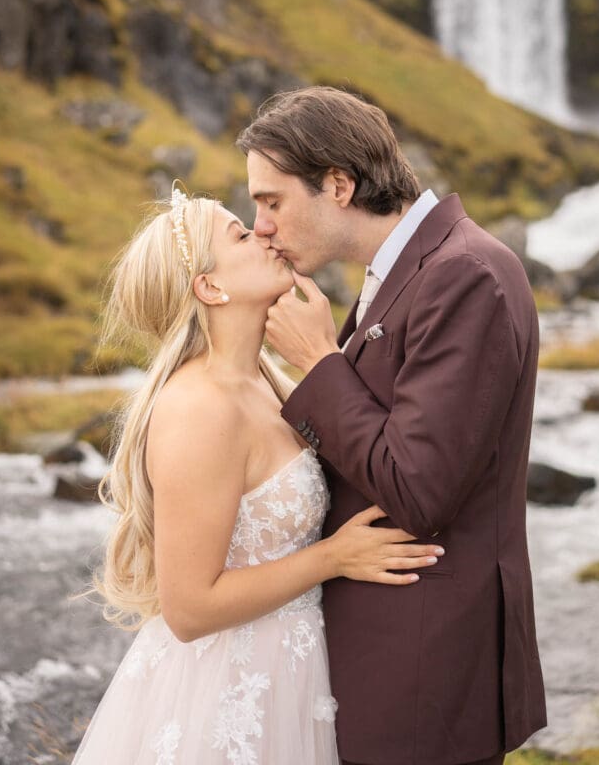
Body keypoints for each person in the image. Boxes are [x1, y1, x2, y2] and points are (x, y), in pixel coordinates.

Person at [72, 188, 441, 765]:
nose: (264, 232)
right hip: (223, 693)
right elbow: (189, 609)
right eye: (241, 234)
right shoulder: (199, 408)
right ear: (210, 288)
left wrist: (326, 360)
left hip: (292, 674)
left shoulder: (269, 381)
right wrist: (334, 558)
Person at [237, 86, 548, 765]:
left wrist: (319, 360)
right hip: (391, 662)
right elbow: (374, 429)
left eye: (272, 201)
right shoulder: (409, 270)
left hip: (425, 673)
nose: (261, 225)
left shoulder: (466, 275)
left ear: (339, 185)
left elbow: (418, 491)